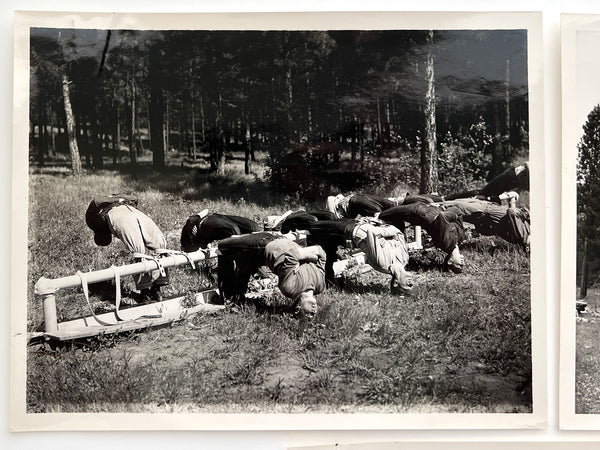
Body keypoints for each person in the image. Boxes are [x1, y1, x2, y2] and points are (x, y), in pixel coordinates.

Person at [217, 233, 327, 316]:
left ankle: (230, 298)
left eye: (309, 314)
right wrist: (310, 255)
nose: (314, 311)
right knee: (243, 263)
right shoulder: (320, 286)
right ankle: (234, 298)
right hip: (274, 240)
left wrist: (309, 256)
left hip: (262, 247)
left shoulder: (290, 288)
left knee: (222, 246)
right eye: (313, 313)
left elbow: (292, 255)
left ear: (298, 307)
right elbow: (321, 252)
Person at [85, 194, 169, 302]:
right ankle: (146, 291)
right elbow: (133, 198)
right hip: (122, 213)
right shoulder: (110, 220)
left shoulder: (92, 223)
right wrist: (121, 199)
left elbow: (96, 201)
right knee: (138, 250)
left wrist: (116, 199)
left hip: (127, 211)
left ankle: (155, 289)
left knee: (159, 244)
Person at [298, 218, 413, 294]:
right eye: (411, 285)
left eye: (407, 286)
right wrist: (384, 233)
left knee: (312, 227)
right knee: (322, 221)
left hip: (348, 230)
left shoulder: (382, 263)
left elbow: (372, 233)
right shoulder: (404, 258)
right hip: (360, 223)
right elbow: (398, 232)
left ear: (396, 282)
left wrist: (383, 234)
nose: (411, 283)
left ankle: (290, 224)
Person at [379, 202, 466, 272]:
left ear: (450, 261)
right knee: (388, 212)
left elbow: (441, 217)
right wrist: (447, 211)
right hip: (427, 207)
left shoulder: (444, 243)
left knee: (382, 215)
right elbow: (458, 209)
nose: (463, 264)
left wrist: (449, 214)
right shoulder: (461, 238)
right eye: (462, 266)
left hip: (418, 213)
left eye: (459, 265)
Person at [441, 198, 530, 249]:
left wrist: (522, 214)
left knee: (453, 206)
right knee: (454, 202)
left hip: (482, 212)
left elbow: (511, 212)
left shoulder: (522, 236)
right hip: (487, 206)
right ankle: (433, 202)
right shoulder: (526, 231)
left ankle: (430, 207)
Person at [180, 210, 261, 252]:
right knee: (234, 230)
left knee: (253, 227)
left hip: (210, 221)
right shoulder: (189, 232)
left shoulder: (189, 227)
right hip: (210, 222)